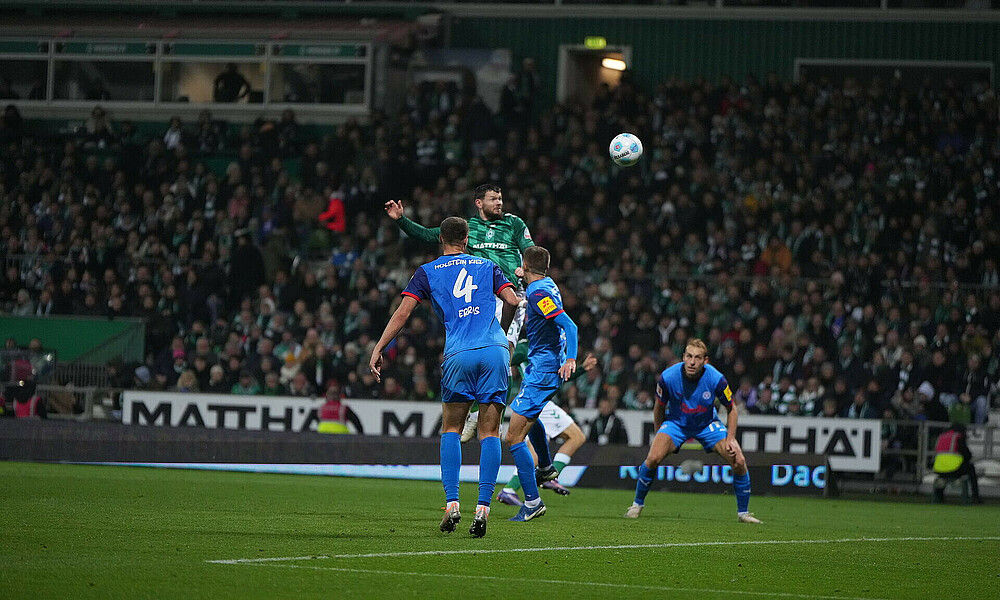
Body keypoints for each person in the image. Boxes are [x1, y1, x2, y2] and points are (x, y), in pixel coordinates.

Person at [369, 216, 520, 538]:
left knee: (451, 428)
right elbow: (512, 300)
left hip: (459, 352)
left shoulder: (427, 271)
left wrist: (380, 347)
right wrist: (503, 331)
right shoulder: (487, 265)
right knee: (490, 432)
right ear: (466, 239)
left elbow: (403, 313)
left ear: (441, 238)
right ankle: (483, 507)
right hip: (495, 350)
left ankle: (452, 503)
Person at [386, 184, 534, 438]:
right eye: (493, 198)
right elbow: (428, 235)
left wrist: (526, 266)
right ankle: (474, 411)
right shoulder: (466, 228)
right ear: (479, 203)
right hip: (482, 298)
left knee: (504, 357)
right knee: (478, 355)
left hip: (509, 294)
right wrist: (401, 220)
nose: (499, 202)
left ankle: (485, 418)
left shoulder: (514, 223)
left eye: (500, 198)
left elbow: (530, 249)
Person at [625, 339, 761, 524]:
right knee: (653, 458)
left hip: (707, 424)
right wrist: (659, 433)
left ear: (705, 361)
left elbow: (732, 409)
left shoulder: (716, 379)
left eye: (697, 358)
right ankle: (636, 505)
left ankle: (743, 513)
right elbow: (659, 407)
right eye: (689, 356)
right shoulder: (668, 377)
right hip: (676, 423)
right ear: (683, 357)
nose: (692, 362)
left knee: (739, 460)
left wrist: (730, 438)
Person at [500, 246, 578, 522]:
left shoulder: (538, 293)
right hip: (542, 366)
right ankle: (545, 467)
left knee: (513, 437)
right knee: (530, 419)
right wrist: (523, 276)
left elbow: (570, 326)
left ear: (525, 265)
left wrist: (571, 359)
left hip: (544, 369)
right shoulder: (546, 284)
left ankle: (532, 502)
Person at [496, 346, 596, 506]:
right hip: (537, 398)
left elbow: (562, 373)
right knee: (576, 437)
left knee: (535, 453)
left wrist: (582, 368)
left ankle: (511, 489)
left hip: (535, 399)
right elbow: (502, 362)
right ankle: (548, 476)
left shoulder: (541, 344)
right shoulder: (527, 346)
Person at [932, 422, 982, 504]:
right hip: (954, 469)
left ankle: (939, 497)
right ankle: (975, 497)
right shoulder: (958, 437)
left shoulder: (941, 436)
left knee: (943, 475)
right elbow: (966, 454)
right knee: (971, 468)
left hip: (938, 469)